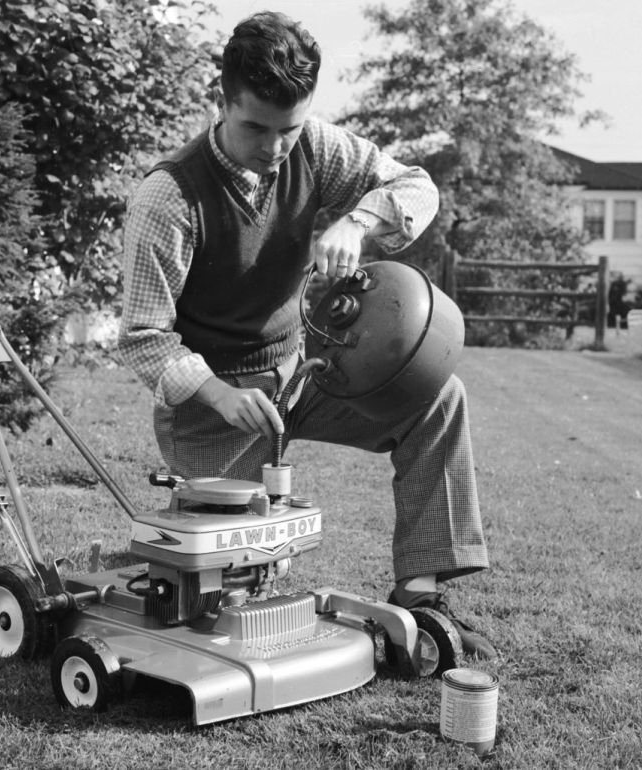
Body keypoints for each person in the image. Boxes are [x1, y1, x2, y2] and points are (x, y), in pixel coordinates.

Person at [119, 11, 495, 658]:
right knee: (225, 612)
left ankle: (422, 595)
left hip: (300, 377)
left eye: (287, 129)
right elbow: (144, 337)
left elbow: (416, 186)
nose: (273, 148)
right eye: (254, 128)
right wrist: (216, 392)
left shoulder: (316, 147)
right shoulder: (168, 198)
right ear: (222, 102)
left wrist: (359, 220)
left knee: (440, 398)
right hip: (214, 408)